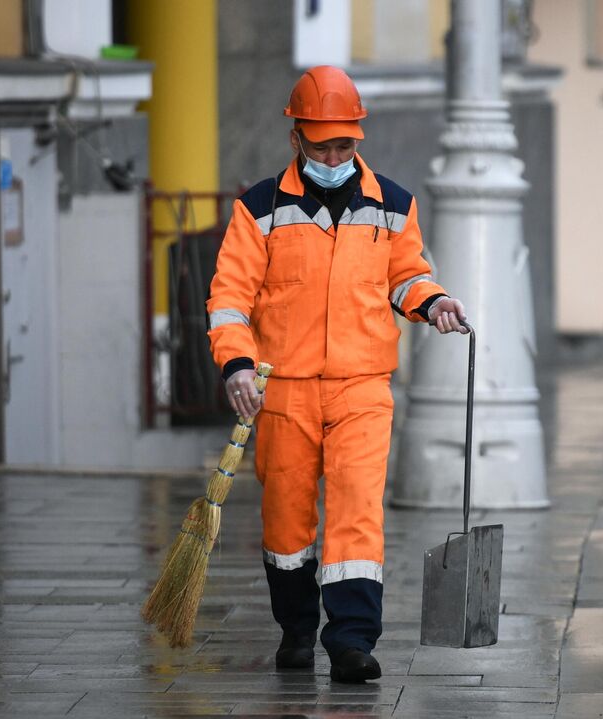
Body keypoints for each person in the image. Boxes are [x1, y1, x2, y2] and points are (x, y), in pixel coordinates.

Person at [206, 66, 468, 683]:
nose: (333, 155)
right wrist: (237, 365)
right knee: (287, 519)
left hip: (362, 386)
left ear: (357, 140)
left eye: (344, 144)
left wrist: (433, 302)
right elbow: (229, 298)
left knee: (357, 511)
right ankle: (296, 630)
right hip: (285, 390)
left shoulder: (394, 205)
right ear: (296, 138)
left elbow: (407, 274)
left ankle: (351, 640)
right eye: (321, 143)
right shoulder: (260, 208)